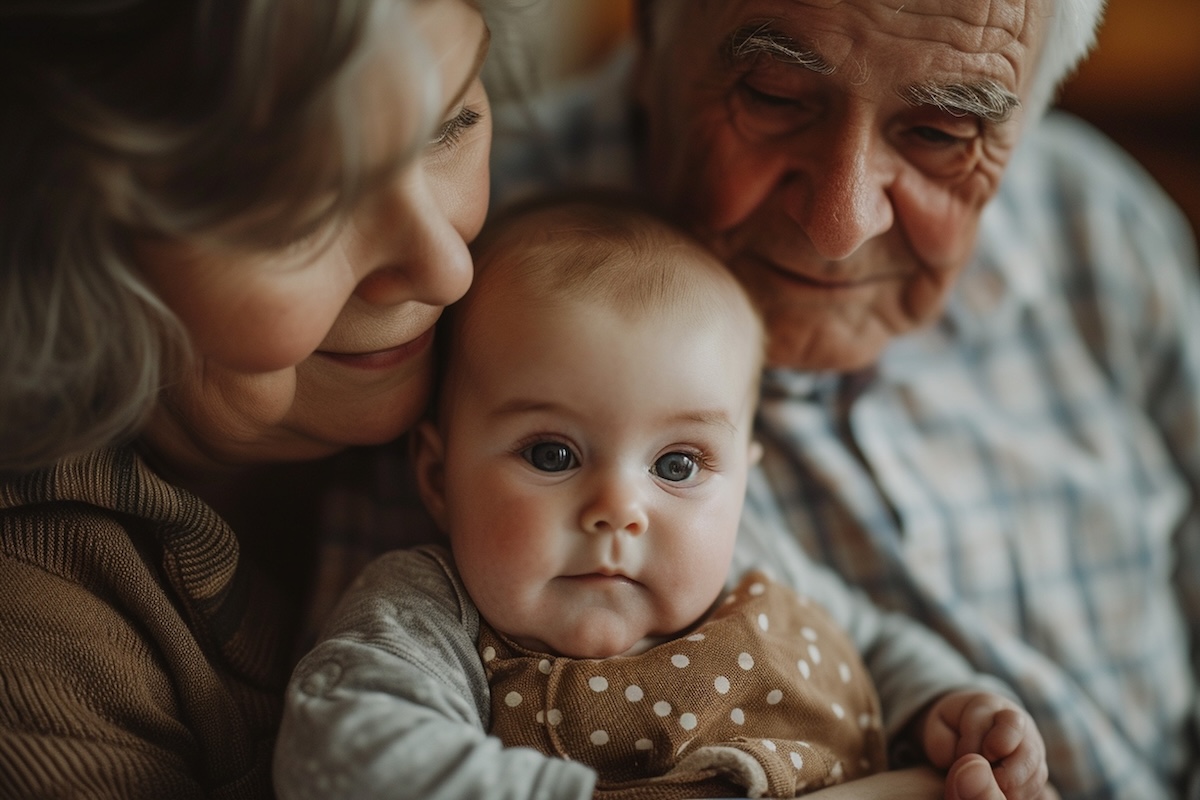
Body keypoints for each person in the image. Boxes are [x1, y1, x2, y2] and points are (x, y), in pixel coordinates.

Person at [476, 1, 1200, 798]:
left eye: (938, 133)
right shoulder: (480, 254)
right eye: (776, 97)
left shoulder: (1098, 224)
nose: (840, 225)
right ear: (650, 30)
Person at [275, 196, 1049, 800]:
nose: (619, 510)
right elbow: (341, 755)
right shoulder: (432, 614)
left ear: (743, 478)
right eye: (553, 454)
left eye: (678, 465)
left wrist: (949, 707)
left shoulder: (756, 566)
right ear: (439, 479)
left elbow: (878, 643)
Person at [0, 0, 492, 796]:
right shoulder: (35, 649)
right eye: (302, 197)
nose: (446, 268)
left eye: (450, 125)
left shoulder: (565, 283)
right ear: (57, 235)